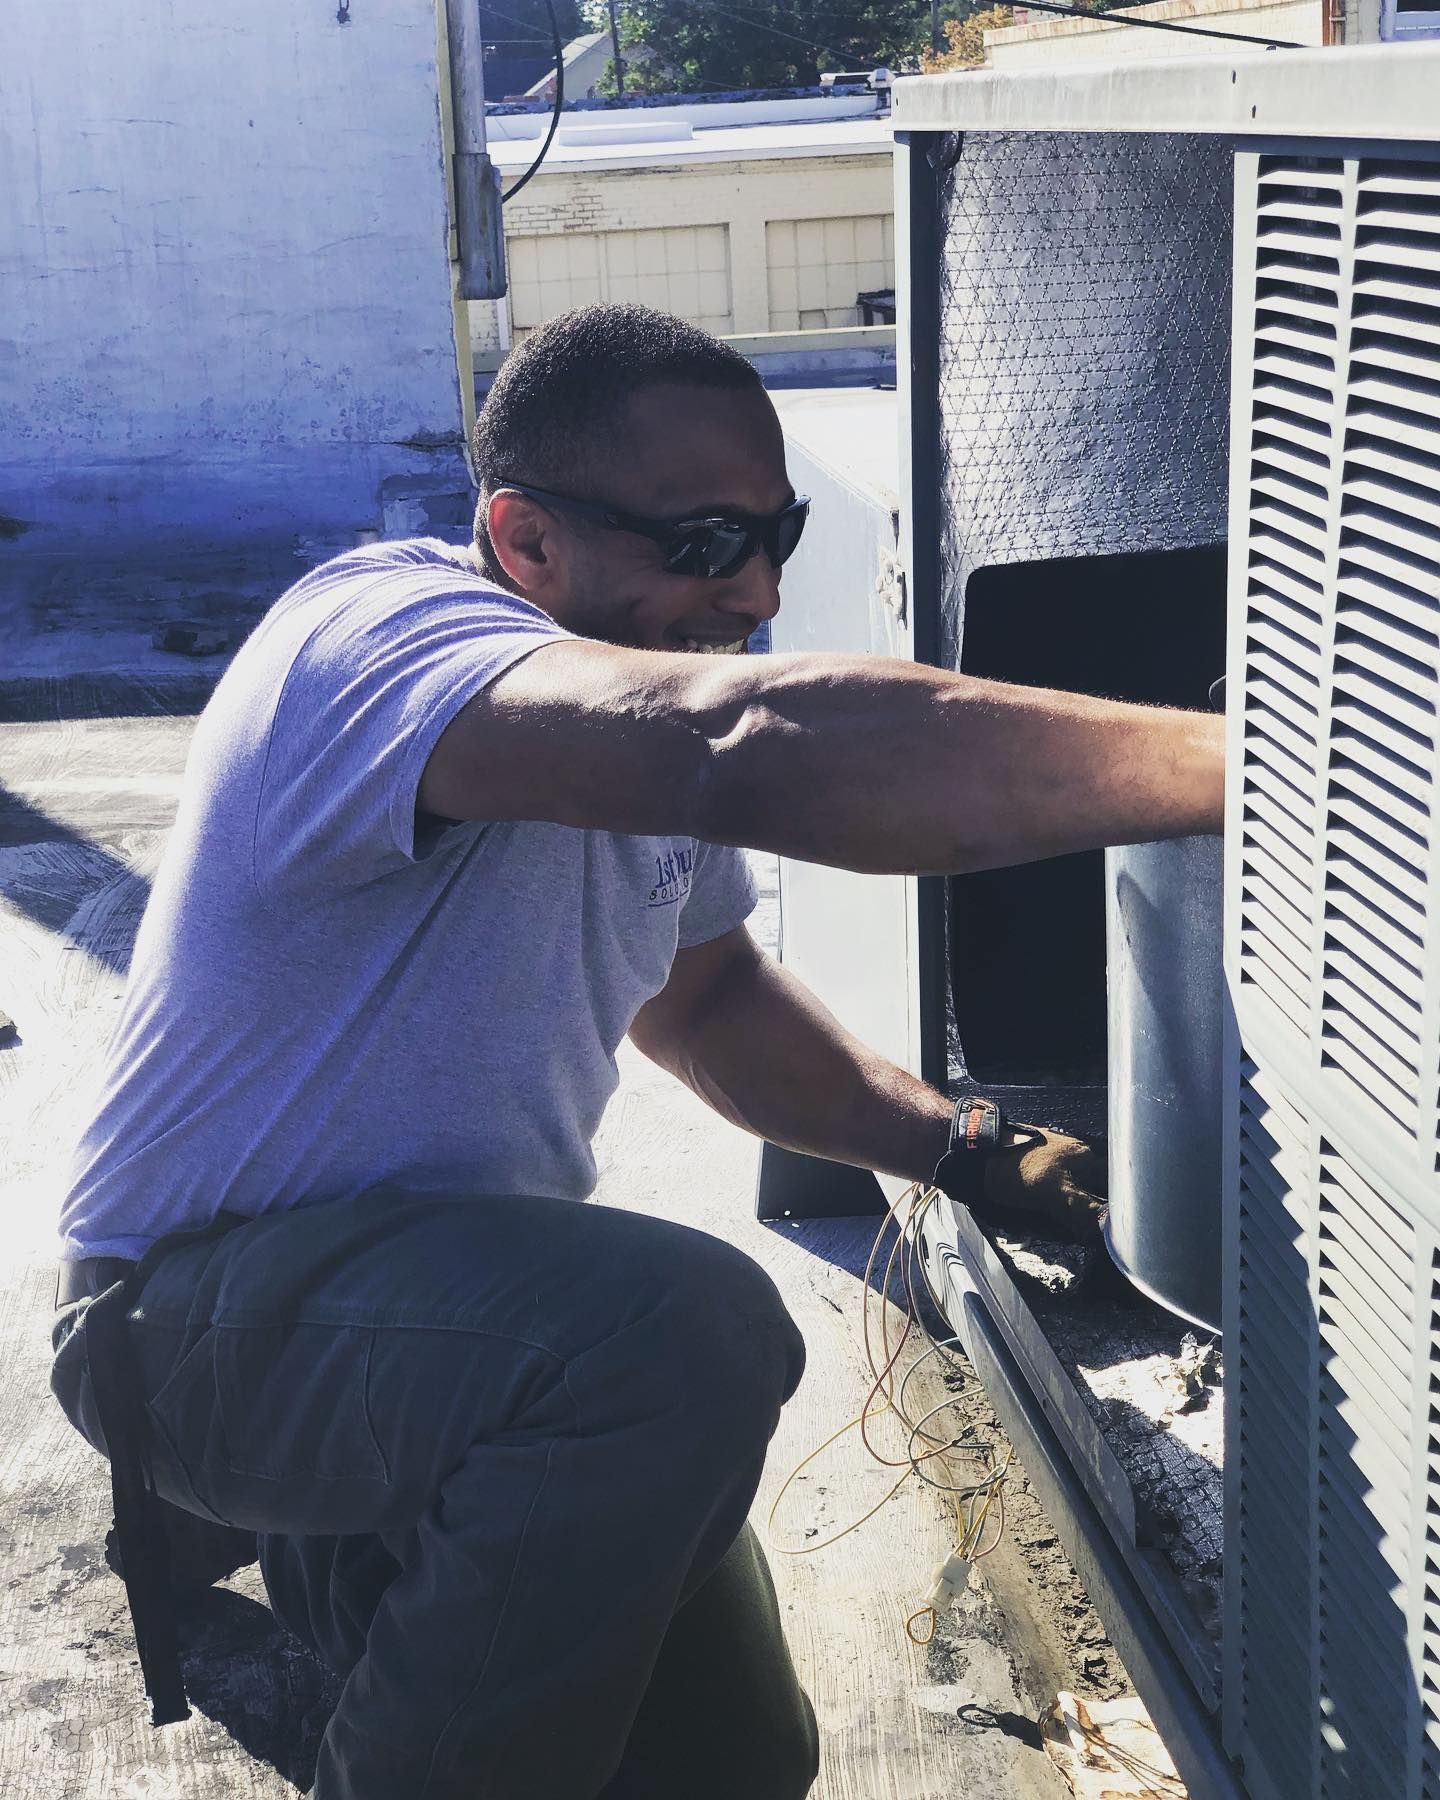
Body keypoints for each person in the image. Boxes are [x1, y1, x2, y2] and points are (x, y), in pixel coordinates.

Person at [51, 303, 1222, 1800]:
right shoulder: (376, 648)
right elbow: (732, 741)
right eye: (708, 539)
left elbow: (714, 1006)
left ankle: (362, 1584)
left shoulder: (623, 722)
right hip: (190, 1320)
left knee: (733, 1759)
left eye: (778, 535)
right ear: (523, 540)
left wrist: (969, 1149)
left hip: (432, 1320)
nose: (757, 591)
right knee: (671, 1341)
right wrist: (1249, 765)